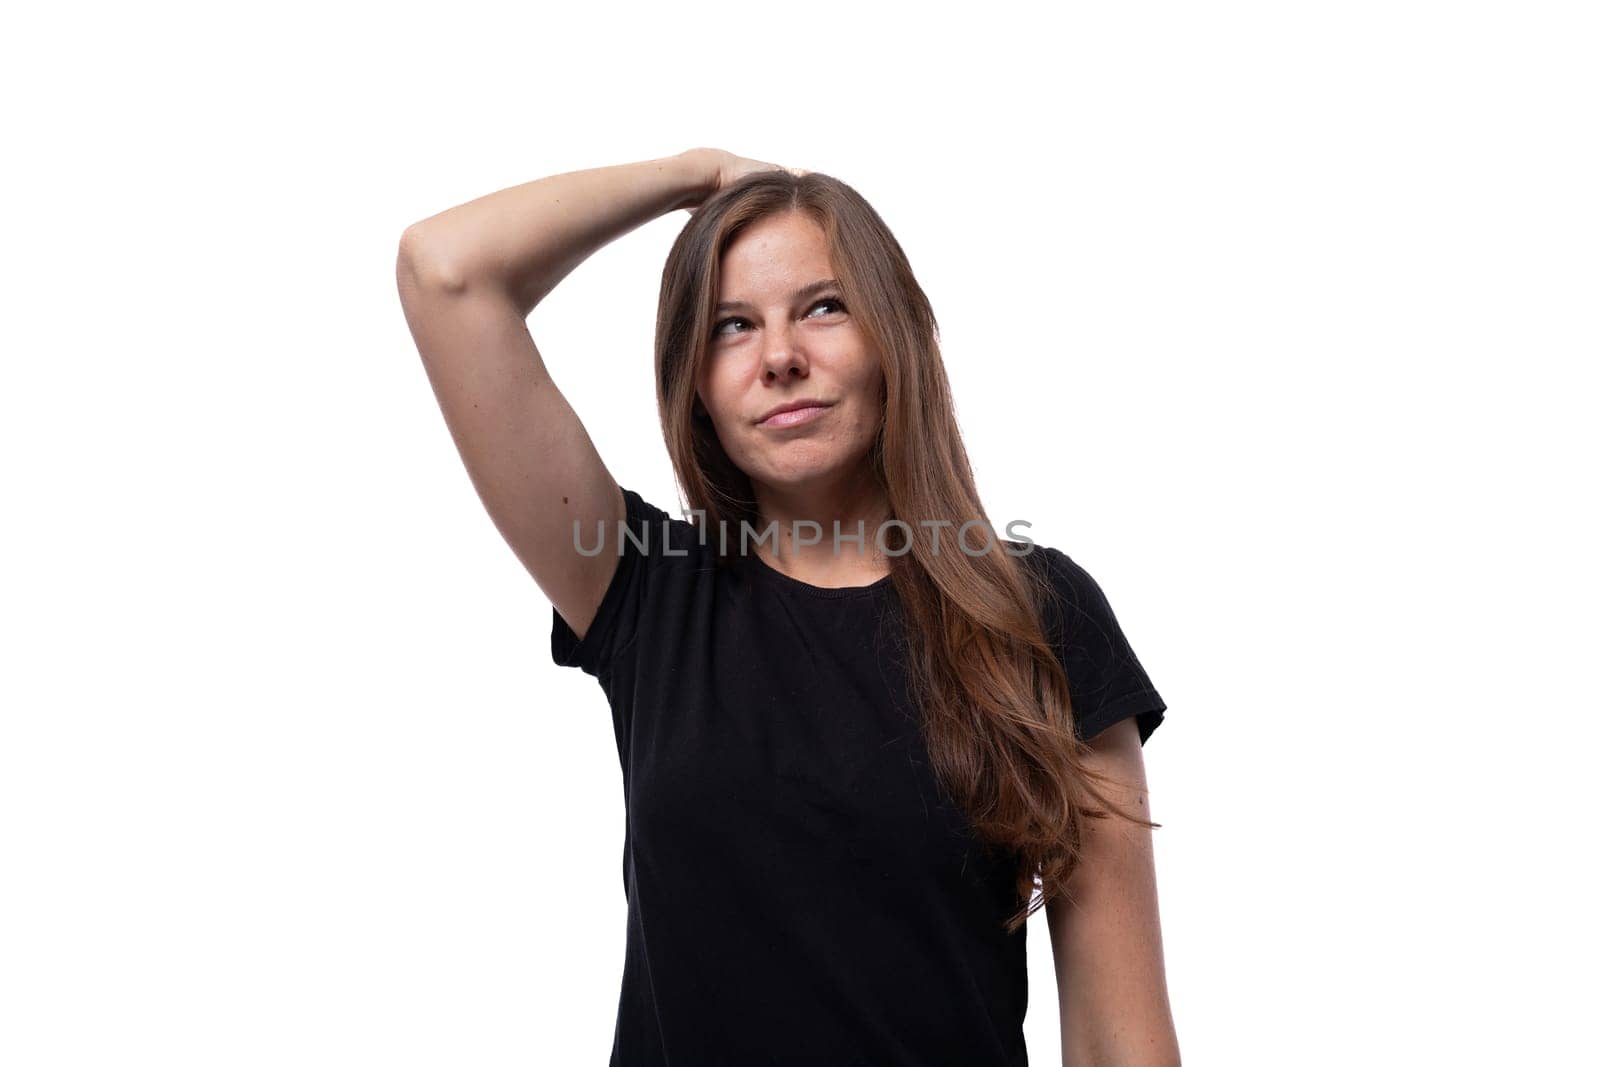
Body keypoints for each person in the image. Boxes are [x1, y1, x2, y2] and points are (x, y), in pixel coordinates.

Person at [396, 148, 1180, 1066]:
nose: (780, 358)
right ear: (694, 383)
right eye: (732, 326)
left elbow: (1119, 1038)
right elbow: (444, 271)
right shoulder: (644, 586)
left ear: (896, 336)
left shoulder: (1038, 613)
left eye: (823, 306)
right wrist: (693, 176)